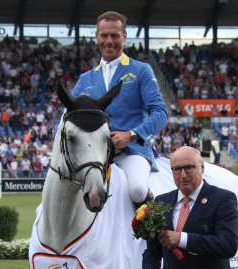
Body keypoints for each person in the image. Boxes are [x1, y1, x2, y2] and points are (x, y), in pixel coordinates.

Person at [68, 11, 168, 204]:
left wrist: (131, 134)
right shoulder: (85, 79)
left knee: (138, 189)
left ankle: (151, 229)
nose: (109, 41)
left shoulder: (141, 70)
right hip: (93, 155)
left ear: (124, 37)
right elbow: (66, 118)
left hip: (131, 151)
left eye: (114, 35)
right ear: (97, 37)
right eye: (104, 35)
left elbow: (160, 113)